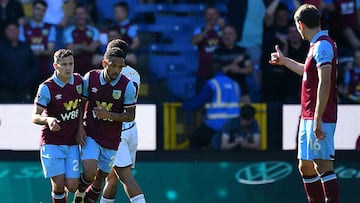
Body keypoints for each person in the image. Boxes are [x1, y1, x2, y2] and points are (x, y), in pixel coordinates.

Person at [269, 4, 340, 202]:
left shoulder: (324, 45)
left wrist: (318, 118)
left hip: (320, 115)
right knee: (305, 166)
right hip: (309, 114)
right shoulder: (317, 45)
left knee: (322, 164)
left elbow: (325, 83)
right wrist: (285, 61)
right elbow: (308, 73)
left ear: (300, 25)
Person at [72, 47, 137, 203]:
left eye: (120, 67)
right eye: (113, 66)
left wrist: (109, 115)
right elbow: (81, 104)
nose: (116, 70)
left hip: (112, 138)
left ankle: (85, 198)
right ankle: (80, 193)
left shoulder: (127, 86)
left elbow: (130, 115)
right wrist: (80, 127)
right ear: (104, 63)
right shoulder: (91, 78)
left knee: (101, 177)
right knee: (89, 173)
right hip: (91, 133)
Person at [31, 49, 85, 203]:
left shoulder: (79, 82)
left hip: (72, 142)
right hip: (52, 142)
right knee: (59, 185)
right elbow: (34, 116)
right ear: (55, 66)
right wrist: (48, 120)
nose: (69, 68)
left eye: (71, 64)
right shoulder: (47, 87)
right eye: (64, 64)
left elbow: (82, 105)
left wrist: (81, 127)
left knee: (73, 186)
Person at [100, 39, 146, 203]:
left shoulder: (111, 74)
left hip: (116, 131)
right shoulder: (135, 74)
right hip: (131, 129)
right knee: (112, 178)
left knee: (125, 177)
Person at [182, 59, 241, 150]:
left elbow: (197, 104)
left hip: (215, 125)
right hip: (234, 125)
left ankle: (198, 164)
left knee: (195, 140)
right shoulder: (235, 84)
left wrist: (184, 105)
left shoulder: (212, 84)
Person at [0, 21, 39, 103]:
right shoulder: (1, 47)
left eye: (15, 30)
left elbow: (34, 66)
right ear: (5, 32)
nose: (12, 32)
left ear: (18, 31)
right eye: (10, 30)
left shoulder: (25, 47)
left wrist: (28, 80)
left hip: (24, 89)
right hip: (4, 90)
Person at [213, 25, 253, 104]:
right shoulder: (217, 52)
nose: (227, 36)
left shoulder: (242, 51)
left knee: (247, 113)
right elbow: (215, 72)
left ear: (235, 36)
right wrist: (230, 66)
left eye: (230, 34)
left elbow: (250, 69)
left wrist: (239, 70)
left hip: (242, 91)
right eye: (224, 34)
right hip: (224, 91)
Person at [19, 0, 56, 82]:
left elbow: (50, 51)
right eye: (38, 9)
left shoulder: (50, 28)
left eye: (43, 10)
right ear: (32, 10)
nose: (40, 12)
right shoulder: (23, 28)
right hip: (27, 69)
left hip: (44, 69)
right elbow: (21, 50)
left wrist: (38, 52)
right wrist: (38, 52)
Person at [191, 5, 225, 91]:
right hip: (204, 72)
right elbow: (194, 42)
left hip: (220, 71)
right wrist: (206, 30)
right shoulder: (200, 30)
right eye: (208, 14)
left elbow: (229, 42)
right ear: (204, 17)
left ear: (218, 16)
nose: (211, 17)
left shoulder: (222, 29)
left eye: (213, 14)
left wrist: (223, 28)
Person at [64, 4, 101, 76]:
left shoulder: (94, 30)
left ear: (86, 15)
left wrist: (78, 46)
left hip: (92, 70)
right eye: (77, 14)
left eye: (81, 14)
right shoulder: (68, 31)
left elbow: (92, 49)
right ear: (74, 16)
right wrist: (86, 48)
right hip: (74, 70)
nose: (79, 16)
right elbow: (70, 51)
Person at [112, 1, 140, 66]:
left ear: (125, 13)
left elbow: (136, 42)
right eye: (114, 12)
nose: (115, 15)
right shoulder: (113, 26)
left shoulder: (130, 27)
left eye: (117, 12)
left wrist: (127, 51)